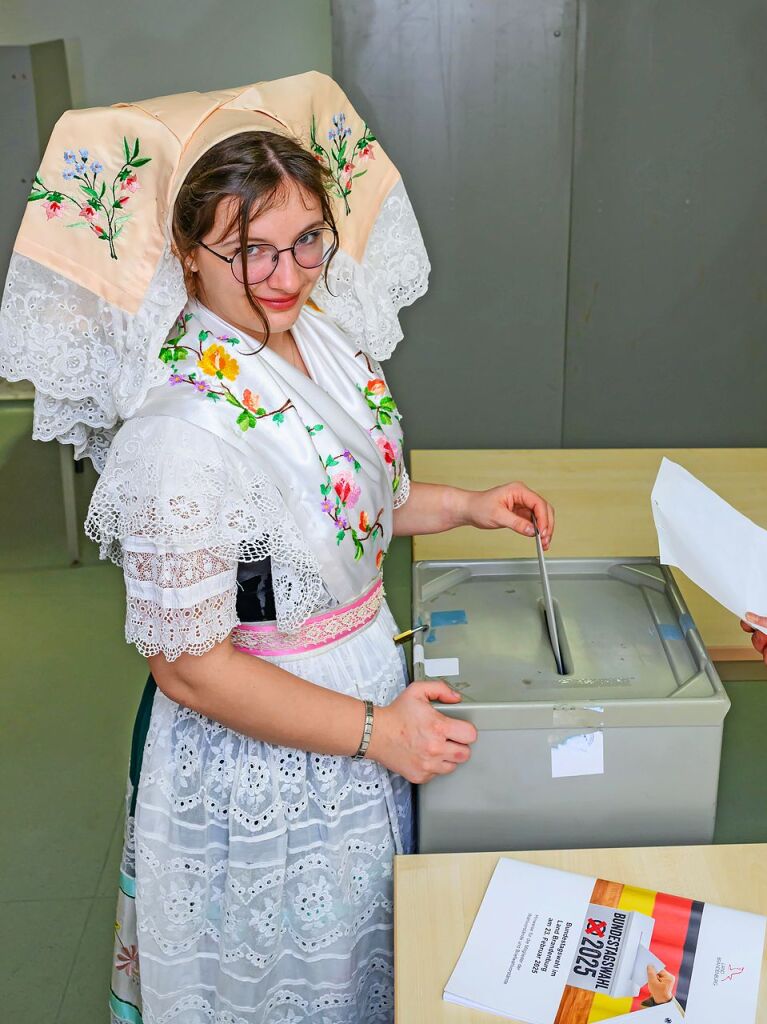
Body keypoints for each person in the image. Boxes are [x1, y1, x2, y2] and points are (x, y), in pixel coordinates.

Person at [0, 72, 555, 1023]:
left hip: (362, 698)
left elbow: (335, 508)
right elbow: (192, 672)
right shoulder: (180, 432)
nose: (288, 275)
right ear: (185, 254)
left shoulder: (320, 342)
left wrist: (461, 504)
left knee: (367, 967)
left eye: (306, 239)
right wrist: (380, 734)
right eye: (250, 251)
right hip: (271, 758)